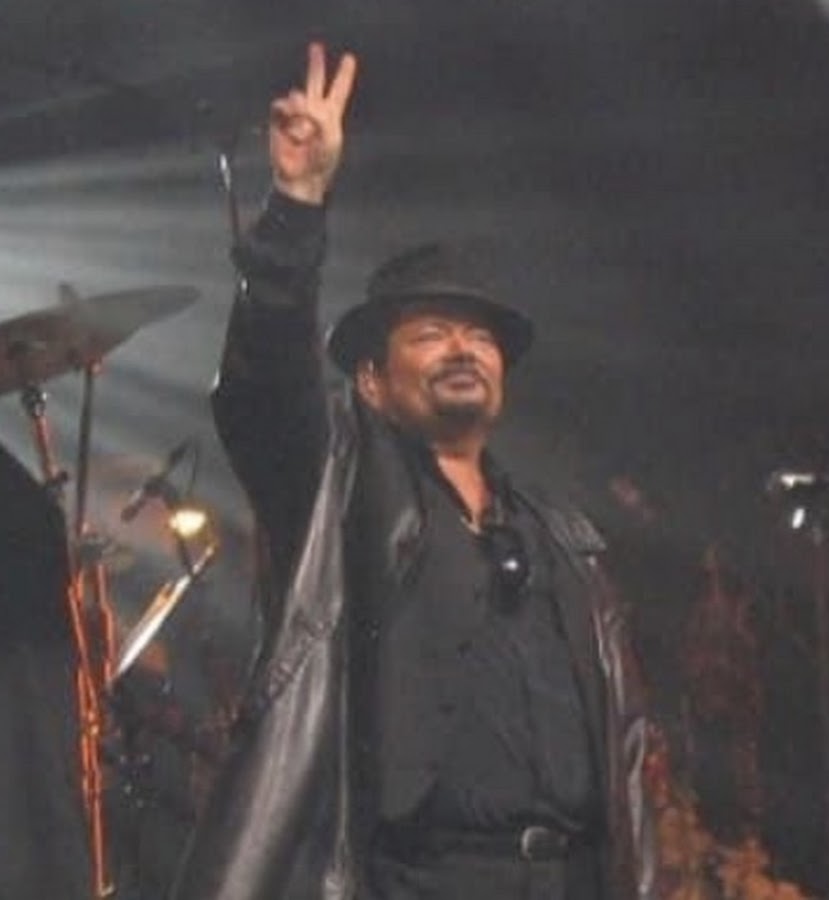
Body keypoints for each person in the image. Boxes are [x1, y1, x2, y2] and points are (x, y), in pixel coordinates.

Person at [171, 42, 656, 900]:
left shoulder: (560, 534)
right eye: (431, 334)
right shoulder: (343, 491)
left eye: (479, 336)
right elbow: (265, 384)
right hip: (418, 880)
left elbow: (627, 744)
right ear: (372, 380)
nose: (462, 348)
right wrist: (298, 204)